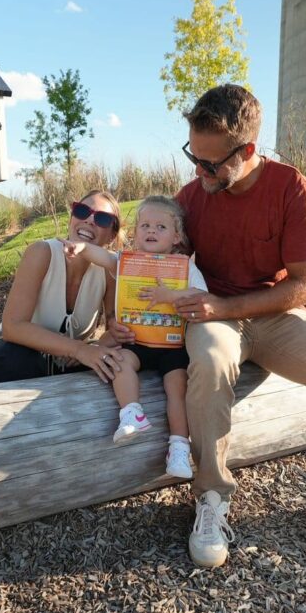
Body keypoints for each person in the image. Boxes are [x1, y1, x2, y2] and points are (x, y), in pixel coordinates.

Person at [112, 85, 306, 576]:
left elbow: (305, 287)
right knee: (212, 361)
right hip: (210, 317)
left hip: (276, 313)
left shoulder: (293, 190)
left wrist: (226, 305)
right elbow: (150, 261)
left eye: (210, 164)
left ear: (248, 152)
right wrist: (119, 318)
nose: (198, 171)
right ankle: (212, 497)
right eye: (193, 157)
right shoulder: (190, 199)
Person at [63, 196, 207, 480]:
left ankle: (178, 446)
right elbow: (104, 258)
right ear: (136, 232)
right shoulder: (129, 262)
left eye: (160, 227)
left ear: (176, 236)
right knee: (119, 362)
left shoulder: (183, 266)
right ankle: (132, 413)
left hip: (172, 346)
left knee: (177, 388)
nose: (151, 231)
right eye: (145, 225)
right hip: (135, 341)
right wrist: (82, 248)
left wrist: (170, 296)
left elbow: (200, 296)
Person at [0, 190, 126, 384]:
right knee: (15, 360)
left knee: (117, 360)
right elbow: (12, 328)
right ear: (72, 218)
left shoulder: (108, 269)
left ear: (112, 236)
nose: (89, 220)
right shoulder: (41, 252)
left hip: (67, 361)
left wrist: (96, 348)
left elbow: (114, 329)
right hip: (15, 352)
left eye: (102, 218)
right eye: (82, 211)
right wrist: (78, 349)